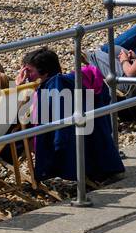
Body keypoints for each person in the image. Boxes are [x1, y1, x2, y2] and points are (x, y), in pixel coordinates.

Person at [20, 47, 124, 184]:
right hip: (92, 143)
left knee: (20, 134)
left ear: (44, 72)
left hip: (65, 145)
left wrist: (19, 88)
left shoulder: (50, 91)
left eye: (29, 71)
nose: (27, 75)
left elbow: (26, 117)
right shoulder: (73, 81)